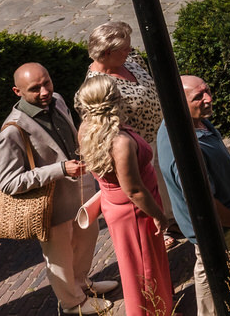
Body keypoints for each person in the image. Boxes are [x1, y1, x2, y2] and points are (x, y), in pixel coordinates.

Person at [0, 63, 117, 316]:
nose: (44, 91)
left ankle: (82, 285)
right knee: (59, 258)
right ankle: (72, 304)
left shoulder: (58, 100)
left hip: (80, 195)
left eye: (46, 83)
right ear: (17, 91)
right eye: (34, 89)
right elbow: (8, 182)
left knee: (87, 240)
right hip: (50, 205)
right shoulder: (11, 132)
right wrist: (60, 169)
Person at [75, 75, 174, 316]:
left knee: (135, 265)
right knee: (144, 268)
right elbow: (134, 190)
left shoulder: (86, 129)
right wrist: (159, 216)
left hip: (115, 205)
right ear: (116, 99)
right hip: (135, 211)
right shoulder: (120, 142)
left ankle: (159, 308)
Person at [155, 77, 230, 316]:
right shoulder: (185, 148)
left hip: (225, 221)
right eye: (198, 97)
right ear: (177, 103)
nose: (208, 98)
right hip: (220, 226)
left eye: (207, 91)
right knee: (215, 275)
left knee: (213, 272)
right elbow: (200, 200)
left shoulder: (195, 123)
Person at [85, 21, 177, 246]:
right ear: (107, 53)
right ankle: (160, 226)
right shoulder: (97, 86)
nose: (129, 50)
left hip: (159, 132)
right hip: (137, 146)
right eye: (124, 48)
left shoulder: (130, 58)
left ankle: (173, 217)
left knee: (167, 179)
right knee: (150, 183)